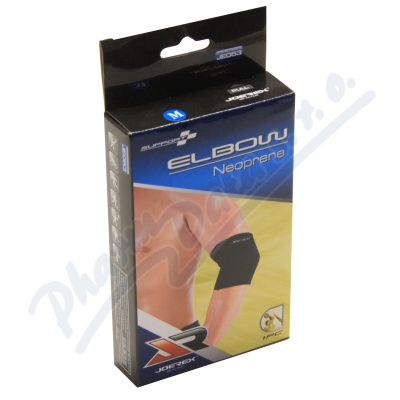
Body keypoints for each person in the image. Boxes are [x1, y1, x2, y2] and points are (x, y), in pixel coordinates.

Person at [134, 187, 259, 346]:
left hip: (173, 339)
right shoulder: (117, 194)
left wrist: (207, 342)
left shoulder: (191, 192)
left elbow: (241, 257)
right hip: (125, 334)